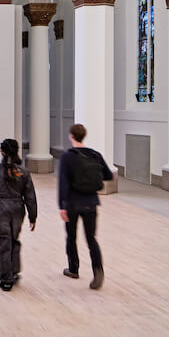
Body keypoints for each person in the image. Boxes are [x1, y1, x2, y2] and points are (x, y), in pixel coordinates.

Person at [0, 137, 37, 291]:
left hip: (0, 209)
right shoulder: (23, 172)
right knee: (14, 239)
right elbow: (30, 196)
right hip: (18, 209)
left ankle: (6, 279)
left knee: (3, 242)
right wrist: (33, 216)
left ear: (2, 152)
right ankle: (14, 270)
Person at [58, 123, 112, 290]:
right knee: (91, 239)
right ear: (84, 136)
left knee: (71, 236)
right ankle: (98, 271)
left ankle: (73, 269)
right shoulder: (95, 155)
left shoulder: (67, 157)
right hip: (91, 203)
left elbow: (63, 183)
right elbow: (108, 175)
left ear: (71, 136)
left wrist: (62, 206)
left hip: (73, 203)